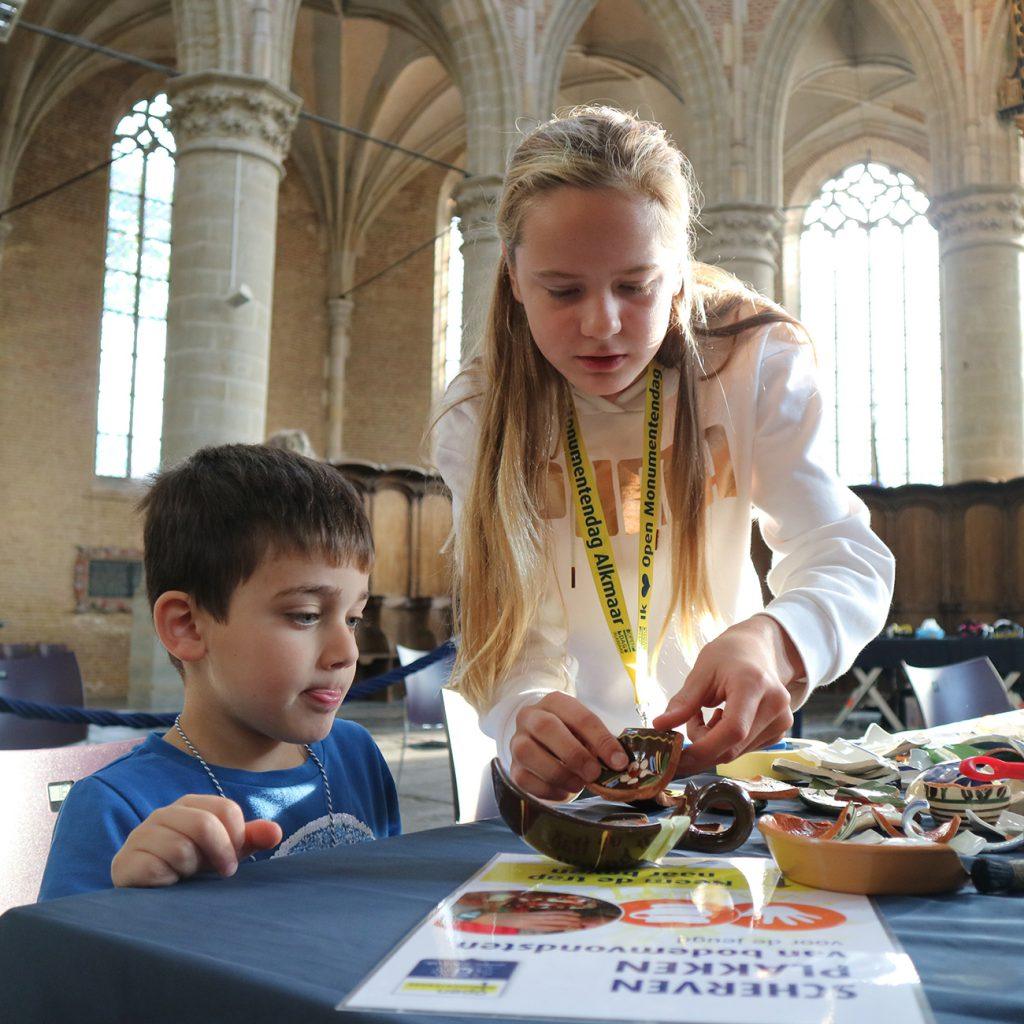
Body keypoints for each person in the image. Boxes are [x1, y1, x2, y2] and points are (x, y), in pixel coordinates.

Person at [433, 106, 894, 802]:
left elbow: (843, 552)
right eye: (563, 290)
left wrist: (774, 637)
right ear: (513, 272)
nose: (602, 324)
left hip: (729, 764)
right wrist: (522, 713)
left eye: (634, 286)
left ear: (678, 271)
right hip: (570, 784)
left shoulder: (750, 363)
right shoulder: (477, 414)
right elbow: (503, 628)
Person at [39, 444, 399, 900]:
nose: (347, 651)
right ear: (187, 626)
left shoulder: (357, 755)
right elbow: (57, 968)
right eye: (306, 615)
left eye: (353, 618)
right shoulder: (114, 809)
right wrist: (130, 908)